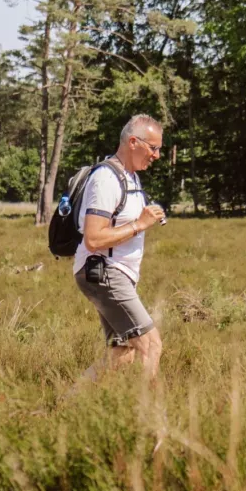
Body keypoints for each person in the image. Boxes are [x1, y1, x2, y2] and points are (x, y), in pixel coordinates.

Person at [73, 114, 166, 381]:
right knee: (150, 344)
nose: (157, 155)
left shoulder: (130, 177)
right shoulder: (106, 178)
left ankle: (65, 408)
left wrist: (148, 216)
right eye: (154, 148)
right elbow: (93, 238)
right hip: (103, 272)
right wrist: (140, 224)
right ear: (134, 142)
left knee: (121, 354)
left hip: (116, 273)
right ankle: (146, 416)